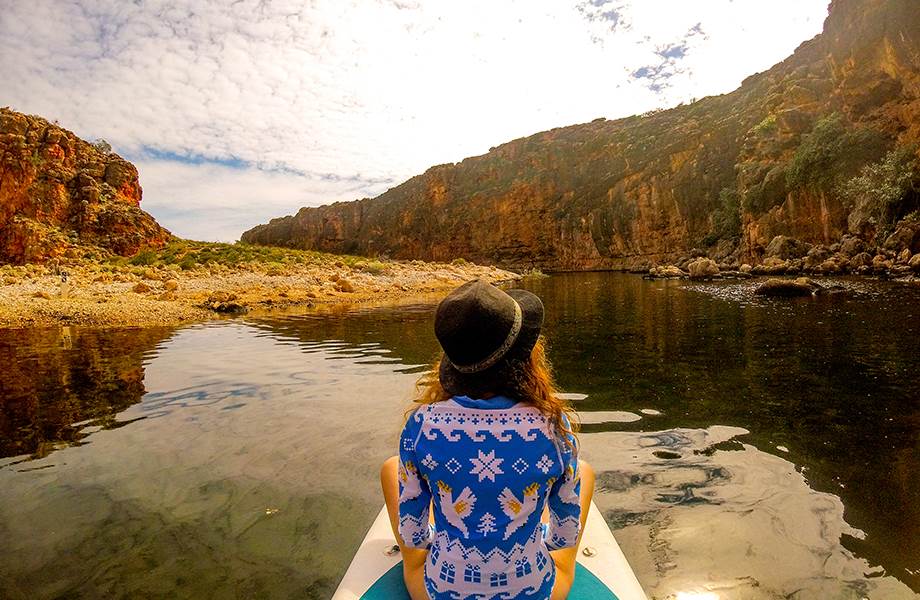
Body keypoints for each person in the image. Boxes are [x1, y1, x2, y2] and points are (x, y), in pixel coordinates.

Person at [380, 279, 596, 599]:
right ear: (525, 357)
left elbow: (414, 537)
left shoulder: (421, 425)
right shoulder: (554, 425)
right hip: (533, 592)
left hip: (441, 591)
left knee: (391, 467)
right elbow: (562, 538)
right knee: (584, 471)